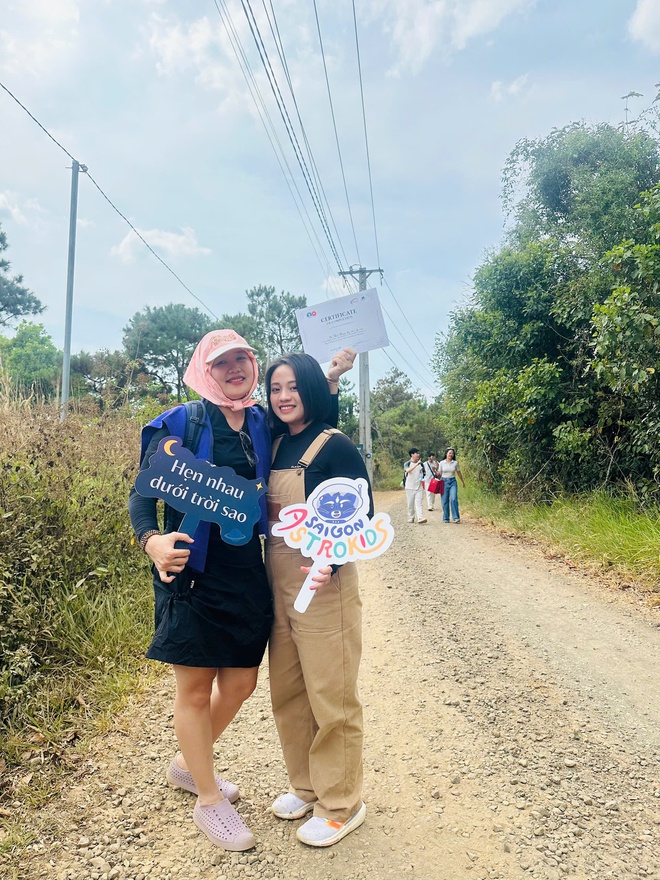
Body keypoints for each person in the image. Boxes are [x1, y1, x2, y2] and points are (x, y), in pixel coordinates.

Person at [128, 329, 353, 852]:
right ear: (204, 369)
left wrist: (330, 380)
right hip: (190, 573)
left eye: (241, 360)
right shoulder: (182, 421)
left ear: (253, 365)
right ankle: (208, 800)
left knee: (240, 685)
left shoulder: (261, 422)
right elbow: (143, 492)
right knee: (193, 688)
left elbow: (312, 432)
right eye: (221, 362)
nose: (234, 369)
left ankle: (187, 763)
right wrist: (152, 541)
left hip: (248, 573)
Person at [264, 351, 371, 848]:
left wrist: (335, 561)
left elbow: (360, 514)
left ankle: (342, 803)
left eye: (292, 387)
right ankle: (307, 787)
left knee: (332, 695)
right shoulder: (273, 443)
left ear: (309, 388)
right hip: (277, 584)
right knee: (288, 692)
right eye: (275, 388)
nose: (283, 397)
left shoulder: (335, 445)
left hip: (324, 585)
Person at [439, 447, 465, 523]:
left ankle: (456, 517)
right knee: (445, 500)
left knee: (454, 499)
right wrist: (436, 473)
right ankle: (446, 518)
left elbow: (459, 473)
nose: (451, 454)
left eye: (452, 453)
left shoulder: (455, 463)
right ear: (446, 454)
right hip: (444, 482)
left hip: (453, 481)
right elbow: (439, 474)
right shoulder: (442, 463)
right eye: (449, 453)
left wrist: (463, 482)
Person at [403, 448, 427, 524]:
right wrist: (417, 464)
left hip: (419, 486)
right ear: (412, 454)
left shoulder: (421, 464)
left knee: (419, 502)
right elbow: (408, 470)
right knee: (410, 503)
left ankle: (420, 517)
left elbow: (423, 473)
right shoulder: (407, 463)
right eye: (416, 453)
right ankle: (411, 517)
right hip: (409, 487)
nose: (418, 455)